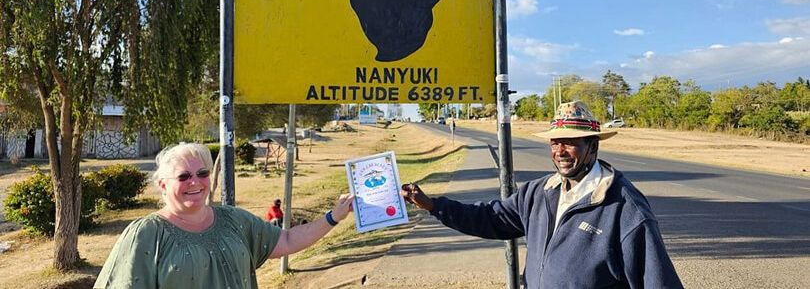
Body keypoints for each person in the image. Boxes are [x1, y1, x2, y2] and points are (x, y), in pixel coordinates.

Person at [401, 101, 682, 288]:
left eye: (571, 143)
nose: (560, 151)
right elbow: (490, 218)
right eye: (555, 142)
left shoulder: (624, 206)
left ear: (593, 148)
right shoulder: (539, 192)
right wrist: (432, 205)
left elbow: (658, 281)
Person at [94, 143, 353, 288]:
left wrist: (334, 216)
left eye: (202, 173)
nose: (195, 182)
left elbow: (286, 241)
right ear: (162, 185)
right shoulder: (146, 234)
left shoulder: (233, 220)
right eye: (184, 176)